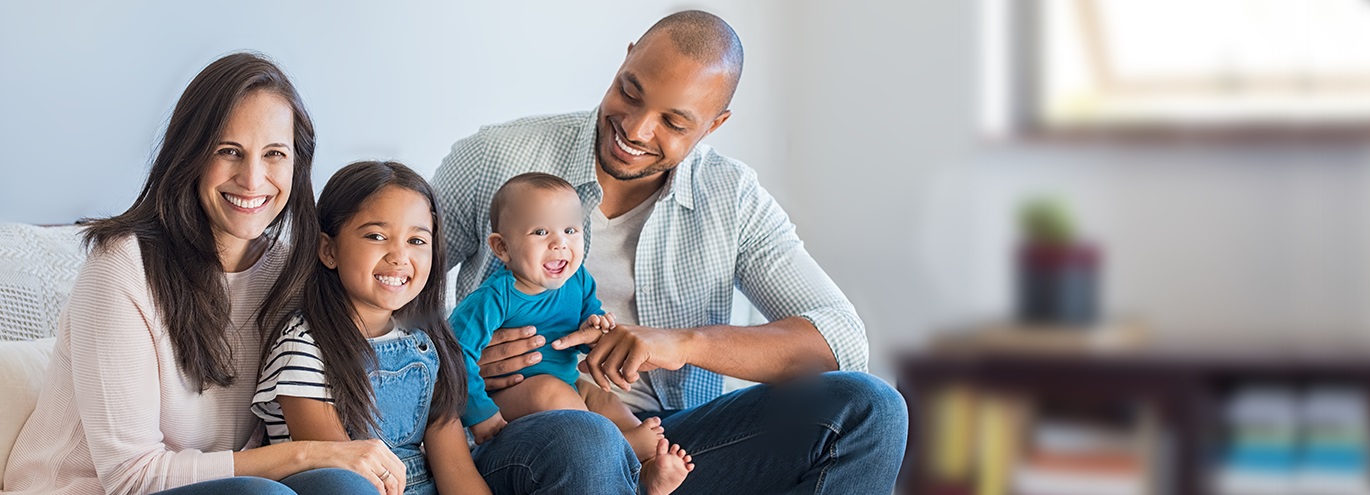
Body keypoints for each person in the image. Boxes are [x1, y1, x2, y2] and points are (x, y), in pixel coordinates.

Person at [432, 10, 908, 494]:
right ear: (626, 59)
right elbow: (395, 291)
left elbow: (842, 341)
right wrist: (454, 363)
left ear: (714, 125)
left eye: (673, 122)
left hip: (663, 444)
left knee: (871, 407)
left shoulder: (732, 197)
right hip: (524, 433)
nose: (636, 129)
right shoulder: (496, 159)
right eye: (630, 92)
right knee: (586, 438)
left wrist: (683, 345)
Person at [2, 53, 395, 495]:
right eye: (229, 151)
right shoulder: (121, 267)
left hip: (232, 488)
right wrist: (306, 454)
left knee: (343, 484)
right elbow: (131, 478)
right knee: (262, 493)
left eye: (274, 154)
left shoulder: (290, 273)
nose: (253, 179)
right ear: (190, 155)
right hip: (86, 490)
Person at [249, 161, 489, 495]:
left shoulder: (427, 345)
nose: (399, 256)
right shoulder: (303, 345)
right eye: (377, 236)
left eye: (417, 240)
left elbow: (457, 472)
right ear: (329, 250)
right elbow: (341, 472)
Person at [447, 173, 693, 494]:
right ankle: (623, 448)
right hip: (509, 397)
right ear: (502, 247)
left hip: (568, 386)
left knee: (601, 397)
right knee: (549, 390)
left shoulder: (578, 281)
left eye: (570, 230)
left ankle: (646, 470)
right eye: (540, 232)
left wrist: (598, 330)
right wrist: (481, 414)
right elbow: (454, 355)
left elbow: (590, 322)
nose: (559, 243)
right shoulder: (493, 298)